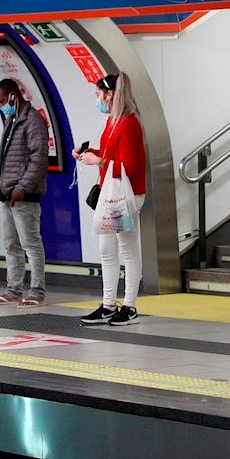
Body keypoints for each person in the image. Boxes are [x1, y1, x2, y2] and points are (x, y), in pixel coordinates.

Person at [74, 72, 146, 326]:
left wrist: (101, 161)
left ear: (110, 94)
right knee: (106, 250)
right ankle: (108, 304)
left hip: (126, 195)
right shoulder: (113, 121)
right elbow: (108, 153)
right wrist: (88, 154)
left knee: (128, 249)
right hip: (110, 193)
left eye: (98, 95)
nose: (98, 100)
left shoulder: (129, 123)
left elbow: (132, 166)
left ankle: (130, 306)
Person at [0, 79, 49, 307]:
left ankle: (36, 292)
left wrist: (22, 188)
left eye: (1, 101)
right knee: (11, 245)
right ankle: (13, 289)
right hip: (8, 193)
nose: (1, 106)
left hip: (23, 195)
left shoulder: (33, 121)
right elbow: (13, 160)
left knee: (31, 244)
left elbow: (38, 160)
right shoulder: (12, 120)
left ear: (12, 96)